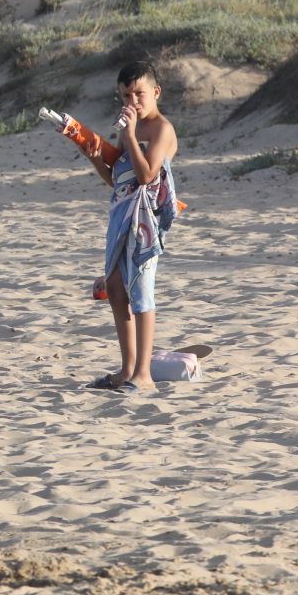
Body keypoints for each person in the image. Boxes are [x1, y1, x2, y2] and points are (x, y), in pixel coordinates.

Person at [88, 62, 179, 394]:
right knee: (115, 287)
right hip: (121, 214)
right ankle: (127, 368)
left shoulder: (160, 129)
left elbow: (147, 176)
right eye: (126, 95)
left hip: (146, 221)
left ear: (155, 92)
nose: (133, 101)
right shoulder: (131, 128)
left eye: (139, 94)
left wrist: (128, 134)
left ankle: (143, 374)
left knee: (141, 292)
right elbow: (118, 179)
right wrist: (95, 154)